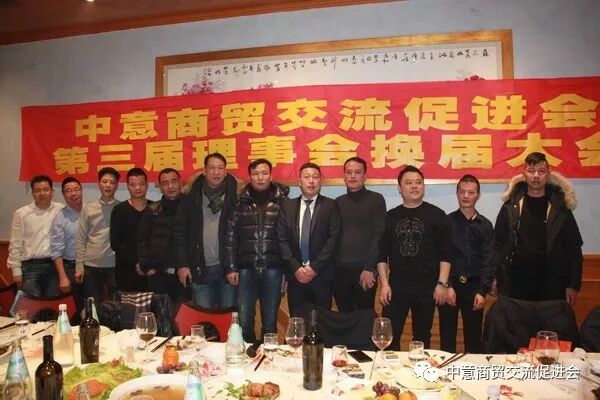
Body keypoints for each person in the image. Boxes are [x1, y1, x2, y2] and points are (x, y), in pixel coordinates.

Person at [377, 165, 452, 350]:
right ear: (399, 188)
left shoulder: (437, 215)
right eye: (409, 183)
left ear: (423, 186)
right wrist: (384, 284)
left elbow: (446, 253)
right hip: (396, 288)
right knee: (390, 337)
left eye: (418, 182)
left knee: (422, 337)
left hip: (427, 288)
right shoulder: (390, 217)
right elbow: (381, 255)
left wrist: (442, 283)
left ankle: (419, 368)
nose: (414, 186)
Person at [494, 152, 583, 305]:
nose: (536, 176)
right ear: (524, 174)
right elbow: (498, 245)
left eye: (541, 171)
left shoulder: (560, 208)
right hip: (516, 284)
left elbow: (574, 248)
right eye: (531, 170)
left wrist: (573, 285)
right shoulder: (511, 206)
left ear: (548, 174)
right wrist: (496, 278)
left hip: (552, 285)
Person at [224, 159, 289, 342]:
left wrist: (287, 271)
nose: (260, 177)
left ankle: (268, 355)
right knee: (245, 321)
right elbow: (230, 237)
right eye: (255, 173)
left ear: (271, 175)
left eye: (264, 173)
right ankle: (248, 353)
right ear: (250, 177)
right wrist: (231, 267)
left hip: (274, 269)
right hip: (245, 270)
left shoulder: (283, 202)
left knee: (270, 323)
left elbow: (289, 239)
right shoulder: (239, 202)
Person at [173, 153, 238, 309]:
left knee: (227, 318)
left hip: (227, 269)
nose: (216, 172)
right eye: (212, 168)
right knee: (203, 319)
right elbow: (179, 233)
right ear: (204, 171)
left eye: (220, 168)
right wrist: (183, 264)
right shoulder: (190, 196)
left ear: (225, 171)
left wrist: (236, 266)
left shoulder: (235, 195)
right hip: (200, 269)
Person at [438, 175, 494, 353]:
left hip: (474, 288)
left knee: (474, 340)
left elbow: (488, 260)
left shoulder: (485, 225)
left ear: (478, 195)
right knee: (447, 338)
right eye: (462, 192)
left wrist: (482, 291)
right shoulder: (446, 222)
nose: (466, 196)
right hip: (450, 284)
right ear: (457, 194)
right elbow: (441, 255)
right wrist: (447, 285)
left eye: (471, 192)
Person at [278, 162, 341, 317]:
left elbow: (333, 240)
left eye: (315, 177)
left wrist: (314, 268)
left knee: (322, 322)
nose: (311, 181)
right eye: (307, 177)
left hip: (321, 275)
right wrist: (295, 267)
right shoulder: (287, 206)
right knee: (297, 321)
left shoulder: (331, 205)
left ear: (321, 181)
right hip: (296, 276)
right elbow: (282, 239)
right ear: (299, 182)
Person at [334, 157, 386, 312]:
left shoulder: (376, 199)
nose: (352, 176)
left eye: (357, 172)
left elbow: (379, 234)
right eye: (349, 172)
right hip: (339, 270)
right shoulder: (337, 202)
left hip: (365, 270)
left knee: (365, 315)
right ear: (344, 176)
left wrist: (369, 268)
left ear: (365, 176)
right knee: (344, 316)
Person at [137, 168, 186, 307]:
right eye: (165, 183)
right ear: (160, 186)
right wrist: (147, 267)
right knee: (160, 314)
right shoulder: (152, 209)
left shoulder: (191, 207)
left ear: (180, 183)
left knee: (183, 315)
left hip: (183, 274)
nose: (170, 186)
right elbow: (142, 240)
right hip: (157, 275)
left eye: (173, 181)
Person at [8, 175, 63, 297]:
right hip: (30, 268)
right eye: (37, 190)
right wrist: (16, 270)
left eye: (45, 189)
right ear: (32, 193)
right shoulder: (22, 213)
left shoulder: (60, 210)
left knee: (52, 304)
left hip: (54, 266)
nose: (42, 193)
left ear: (52, 192)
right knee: (32, 305)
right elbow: (15, 243)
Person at [76, 167, 120, 305]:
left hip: (114, 265)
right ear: (98, 184)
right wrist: (79, 267)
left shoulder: (121, 208)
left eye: (112, 182)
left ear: (117, 186)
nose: (108, 185)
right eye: (104, 181)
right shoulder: (88, 208)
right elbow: (81, 238)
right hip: (91, 265)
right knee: (93, 306)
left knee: (115, 307)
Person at [111, 167, 150, 292]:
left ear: (147, 185)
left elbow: (160, 240)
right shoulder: (119, 210)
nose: (137, 188)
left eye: (141, 184)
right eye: (133, 184)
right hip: (126, 271)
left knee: (151, 304)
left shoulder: (155, 208)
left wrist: (147, 263)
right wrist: (137, 262)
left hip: (151, 271)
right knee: (127, 304)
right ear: (128, 186)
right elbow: (115, 243)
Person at [50, 177, 84, 318]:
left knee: (92, 307)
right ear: (64, 195)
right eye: (68, 191)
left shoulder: (90, 211)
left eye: (76, 189)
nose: (73, 193)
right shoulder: (60, 217)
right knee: (74, 311)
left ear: (81, 191)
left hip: (91, 266)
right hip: (70, 267)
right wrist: (63, 277)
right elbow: (56, 249)